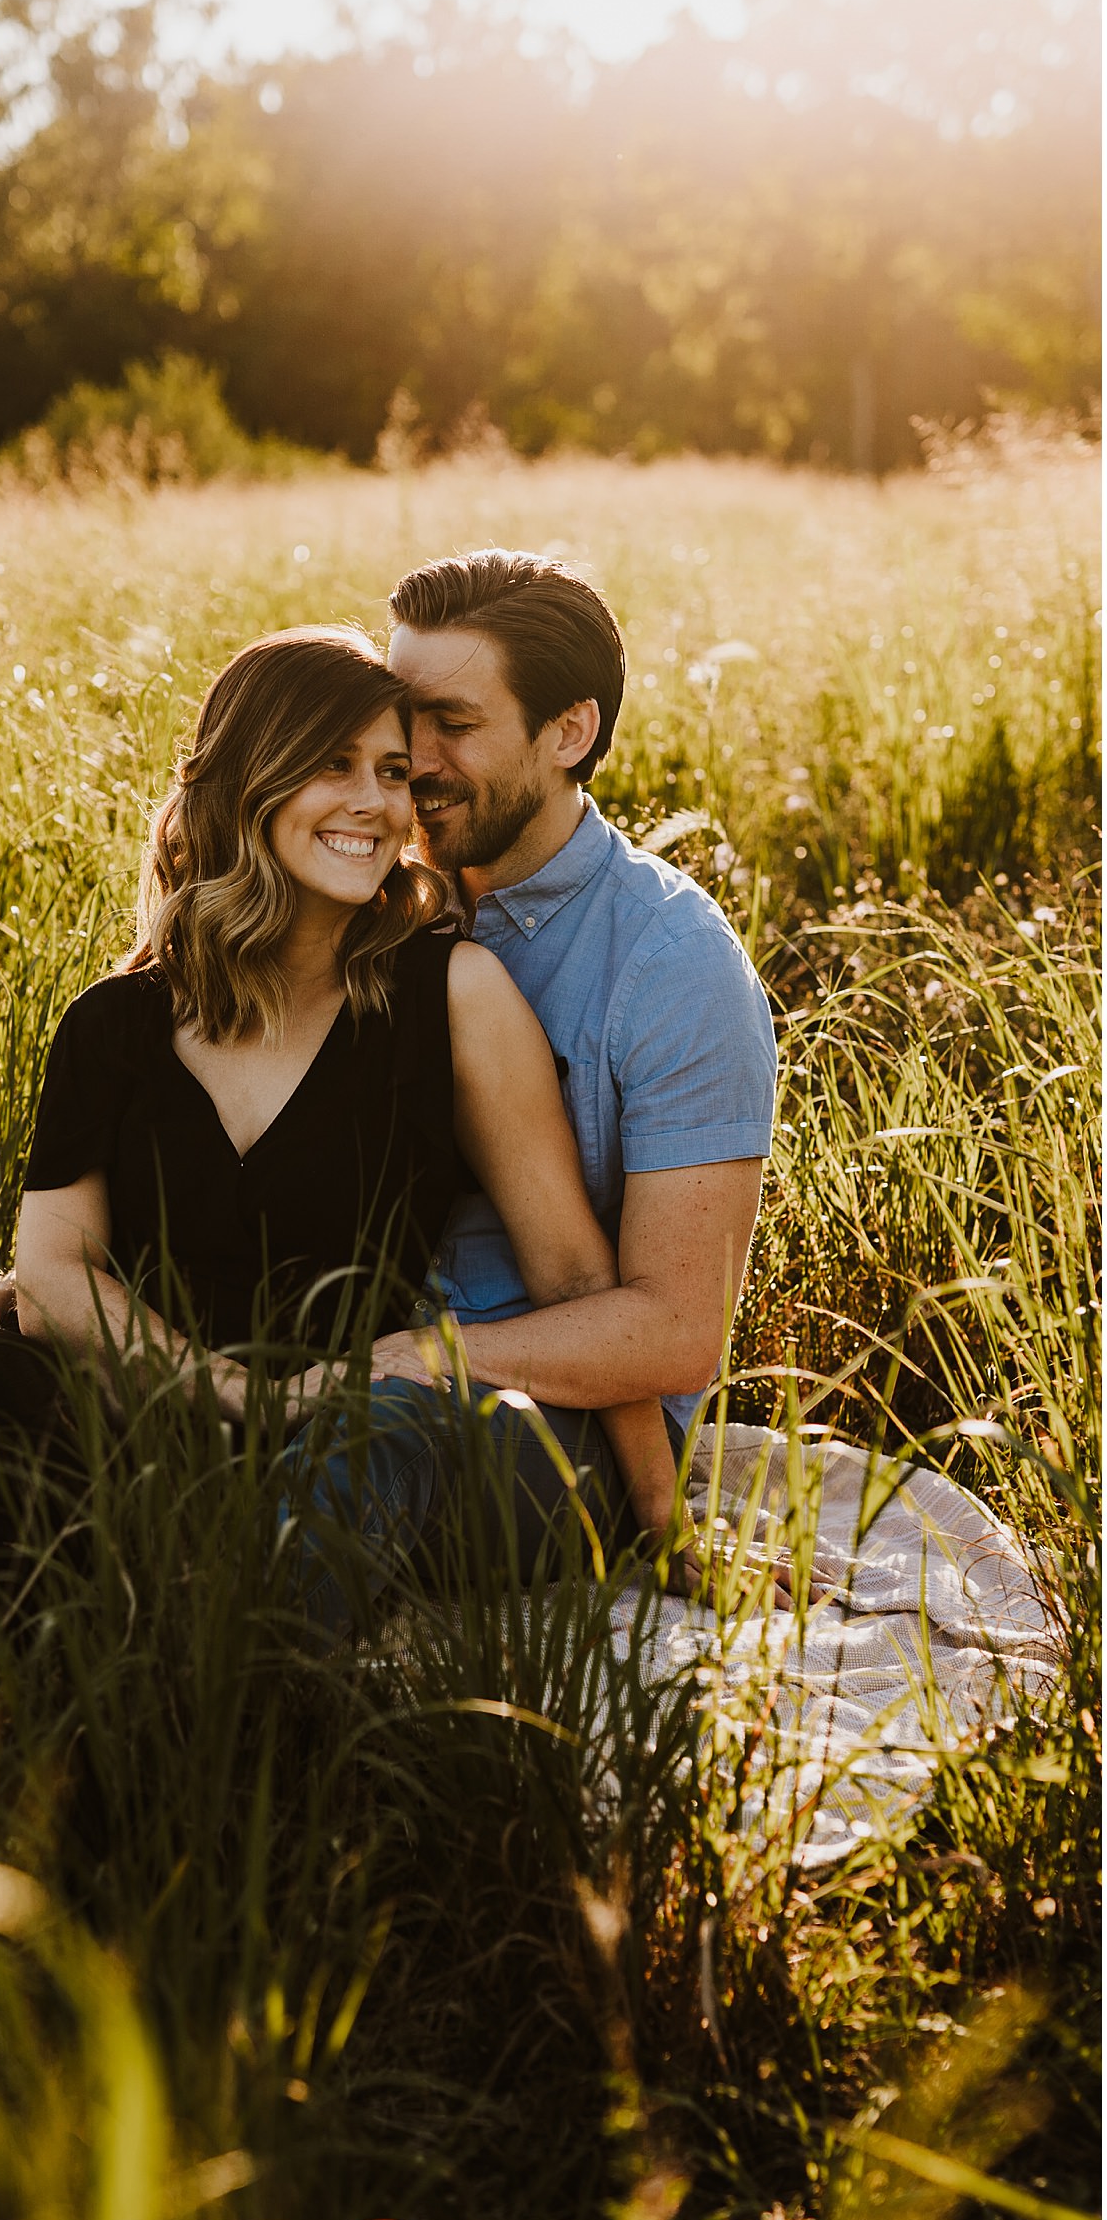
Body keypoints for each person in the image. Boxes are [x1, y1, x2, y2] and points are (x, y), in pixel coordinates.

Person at [0, 628, 693, 1793]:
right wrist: (215, 1388)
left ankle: (84, 1765)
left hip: (331, 1417)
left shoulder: (448, 993)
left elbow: (576, 1280)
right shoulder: (115, 1024)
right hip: (154, 1403)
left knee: (351, 1448)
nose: (376, 803)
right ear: (248, 781)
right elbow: (57, 1274)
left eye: (391, 772)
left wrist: (663, 1518)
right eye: (333, 764)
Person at [355, 546, 779, 1505]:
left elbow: (675, 1328)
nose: (415, 759)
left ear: (570, 731)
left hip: (572, 1419)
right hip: (346, 1340)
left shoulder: (674, 964)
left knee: (365, 1450)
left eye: (455, 724)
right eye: (403, 714)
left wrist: (433, 1355)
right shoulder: (366, 889)